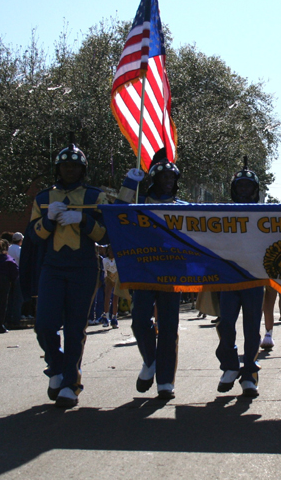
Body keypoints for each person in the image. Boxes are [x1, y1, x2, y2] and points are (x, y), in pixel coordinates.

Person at [27, 144, 109, 409]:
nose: (70, 170)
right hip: (52, 266)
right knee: (44, 324)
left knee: (75, 329)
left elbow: (106, 235)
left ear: (82, 169)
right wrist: (48, 220)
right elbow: (33, 236)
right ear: (58, 169)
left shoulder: (95, 196)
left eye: (75, 166)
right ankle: (57, 368)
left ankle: (71, 385)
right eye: (65, 166)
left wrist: (83, 220)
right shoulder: (43, 198)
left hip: (84, 267)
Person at [116, 158, 185, 400]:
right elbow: (116, 213)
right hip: (143, 271)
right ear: (154, 179)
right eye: (163, 177)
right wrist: (129, 182)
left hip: (171, 272)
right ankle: (150, 361)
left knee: (169, 327)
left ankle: (166, 381)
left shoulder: (183, 206)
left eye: (172, 178)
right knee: (139, 321)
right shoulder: (140, 202)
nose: (168, 181)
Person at [215, 158, 265, 398]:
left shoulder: (266, 214)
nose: (244, 190)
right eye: (240, 186)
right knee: (225, 324)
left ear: (255, 190)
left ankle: (249, 375)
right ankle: (230, 366)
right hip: (229, 278)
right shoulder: (221, 213)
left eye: (248, 186)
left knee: (252, 329)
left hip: (255, 278)